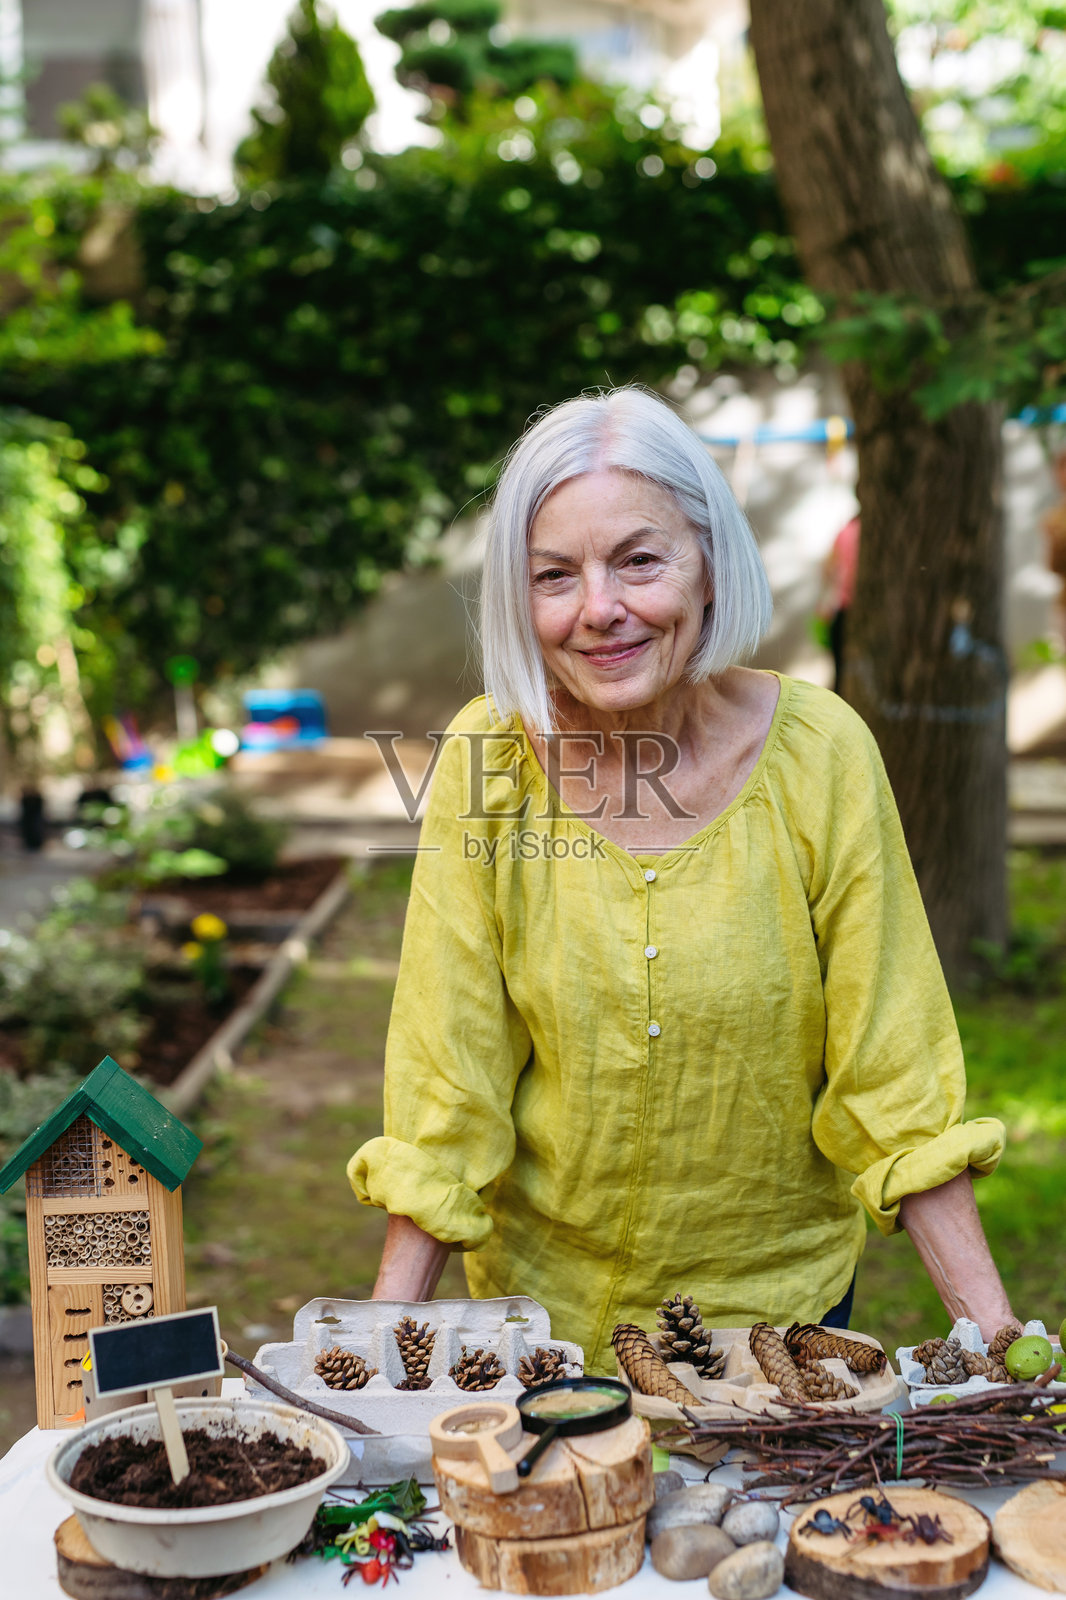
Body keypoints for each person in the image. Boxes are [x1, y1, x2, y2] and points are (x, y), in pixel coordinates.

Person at [349, 387, 1012, 1373]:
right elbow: (449, 1077)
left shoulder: (820, 754)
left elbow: (895, 1070)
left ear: (708, 561)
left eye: (638, 560)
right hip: (544, 1328)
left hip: (778, 1331)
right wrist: (367, 1363)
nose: (597, 609)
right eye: (554, 575)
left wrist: (997, 1345)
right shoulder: (489, 764)